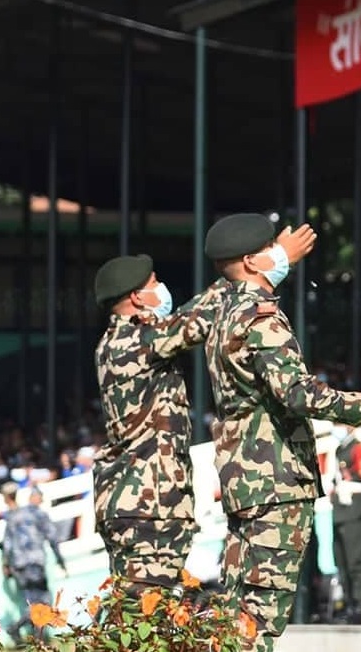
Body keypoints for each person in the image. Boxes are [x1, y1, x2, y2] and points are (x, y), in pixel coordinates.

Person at [201, 213, 361, 651]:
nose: (280, 253)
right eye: (270, 248)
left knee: (236, 616)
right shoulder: (260, 316)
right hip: (275, 483)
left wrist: (277, 254)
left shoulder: (225, 312)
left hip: (247, 482)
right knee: (259, 620)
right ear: (251, 261)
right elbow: (299, 394)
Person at [90, 247, 261, 591]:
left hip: (144, 505)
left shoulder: (128, 339)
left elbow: (185, 318)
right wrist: (251, 271)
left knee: (145, 609)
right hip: (147, 507)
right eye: (154, 282)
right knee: (145, 612)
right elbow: (196, 320)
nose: (162, 288)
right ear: (137, 297)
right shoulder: (131, 342)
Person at [2, 485, 67, 639]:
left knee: (31, 601)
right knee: (43, 602)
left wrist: (6, 564)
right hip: (34, 563)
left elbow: (7, 542)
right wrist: (61, 560)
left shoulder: (15, 515)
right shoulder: (39, 515)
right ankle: (19, 629)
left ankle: (34, 636)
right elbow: (53, 538)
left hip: (18, 565)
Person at [326, 438, 361, 624]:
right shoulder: (340, 447)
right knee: (342, 561)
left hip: (355, 512)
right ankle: (348, 603)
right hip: (340, 513)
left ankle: (358, 606)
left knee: (356, 562)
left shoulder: (360, 447)